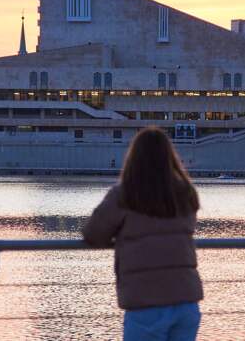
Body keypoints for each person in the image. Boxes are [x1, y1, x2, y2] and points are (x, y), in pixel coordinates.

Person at [83, 127, 203, 341]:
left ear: (134, 157)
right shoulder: (186, 192)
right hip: (186, 301)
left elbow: (94, 233)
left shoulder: (125, 193)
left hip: (146, 303)